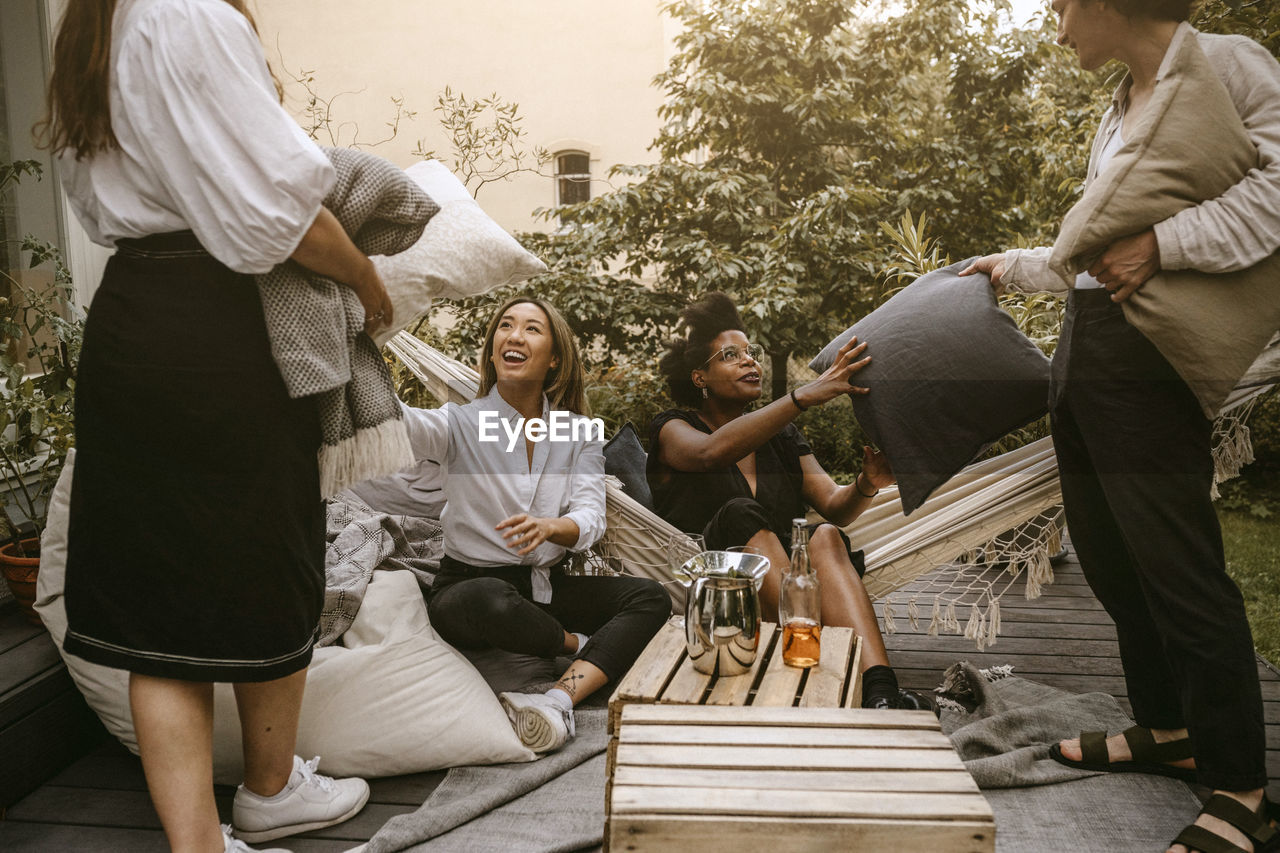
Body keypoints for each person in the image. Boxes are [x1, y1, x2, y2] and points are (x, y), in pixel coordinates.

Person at [41, 1, 391, 851]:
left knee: (158, 608)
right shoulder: (190, 12)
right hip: (220, 322)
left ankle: (205, 837)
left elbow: (98, 204)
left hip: (132, 319)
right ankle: (267, 793)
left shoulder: (95, 25)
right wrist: (371, 289)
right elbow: (289, 216)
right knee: (274, 550)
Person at [960, 3, 1280, 851]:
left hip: (1149, 353)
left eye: (1063, 6)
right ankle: (1169, 726)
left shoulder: (1230, 63)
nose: (1057, 26)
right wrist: (1013, 266)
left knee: (1178, 567)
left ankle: (1243, 787)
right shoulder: (1120, 104)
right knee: (1108, 554)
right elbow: (1096, 247)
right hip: (1088, 345)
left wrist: (1166, 245)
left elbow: (1279, 192)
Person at [400, 297, 670, 754]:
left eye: (531, 329)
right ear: (492, 352)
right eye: (505, 326)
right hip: (471, 590)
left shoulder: (579, 432)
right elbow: (400, 422)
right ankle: (580, 646)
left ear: (555, 357)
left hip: (546, 589)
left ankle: (557, 699)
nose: (514, 335)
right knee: (488, 598)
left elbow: (591, 517)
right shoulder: (458, 423)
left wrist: (552, 527)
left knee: (652, 597)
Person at [648, 292, 933, 712]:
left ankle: (880, 691)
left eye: (752, 353)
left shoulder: (781, 438)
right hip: (713, 582)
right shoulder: (673, 428)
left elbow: (835, 504)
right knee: (741, 514)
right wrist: (803, 397)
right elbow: (710, 453)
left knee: (824, 534)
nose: (750, 361)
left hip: (788, 583)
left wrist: (866, 483)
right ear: (699, 378)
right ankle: (819, 677)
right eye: (731, 355)